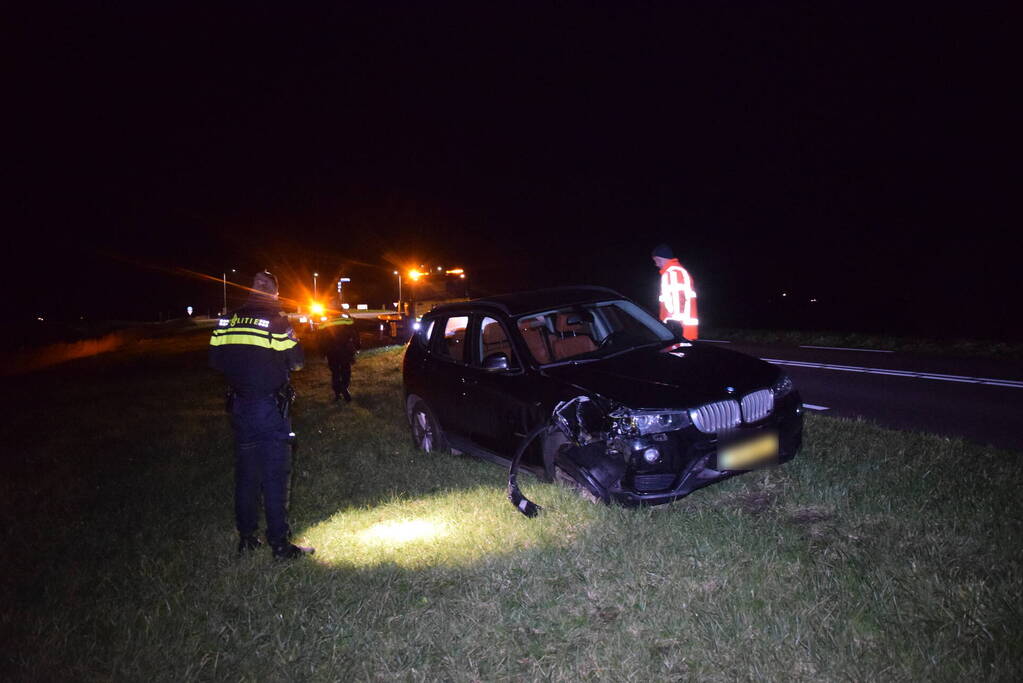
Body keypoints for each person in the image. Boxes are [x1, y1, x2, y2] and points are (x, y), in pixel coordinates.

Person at [209, 270, 314, 559]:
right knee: (275, 474)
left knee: (246, 474)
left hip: (240, 407)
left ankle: (247, 538)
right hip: (269, 409)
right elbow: (297, 362)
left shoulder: (228, 320)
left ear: (249, 290)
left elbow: (215, 360)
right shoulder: (277, 321)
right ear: (275, 293)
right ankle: (279, 544)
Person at [651, 243, 699, 339]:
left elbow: (678, 300)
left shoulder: (673, 273)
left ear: (662, 258)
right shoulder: (676, 271)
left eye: (657, 260)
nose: (657, 264)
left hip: (679, 330)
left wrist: (674, 328)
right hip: (682, 329)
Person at [319, 313, 360, 402]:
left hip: (331, 351)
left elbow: (320, 338)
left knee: (335, 372)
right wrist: (357, 346)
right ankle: (344, 388)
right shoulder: (346, 317)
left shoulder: (324, 320)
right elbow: (354, 333)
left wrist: (322, 352)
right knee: (346, 370)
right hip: (345, 349)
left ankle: (337, 394)